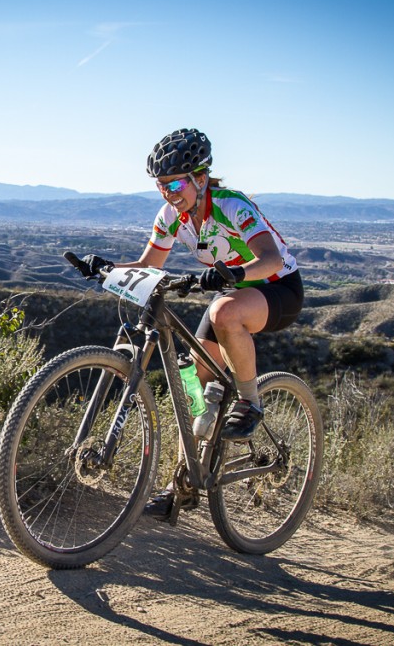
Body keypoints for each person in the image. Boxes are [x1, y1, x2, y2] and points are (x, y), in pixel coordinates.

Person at [81, 127, 304, 518]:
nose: (168, 193)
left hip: (277, 288)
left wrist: (233, 274)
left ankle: (250, 402)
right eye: (161, 185)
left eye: (175, 183)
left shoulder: (231, 205)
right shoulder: (172, 216)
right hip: (233, 291)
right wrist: (106, 268)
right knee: (192, 389)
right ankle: (182, 486)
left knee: (223, 313)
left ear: (200, 178)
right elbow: (149, 265)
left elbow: (270, 259)